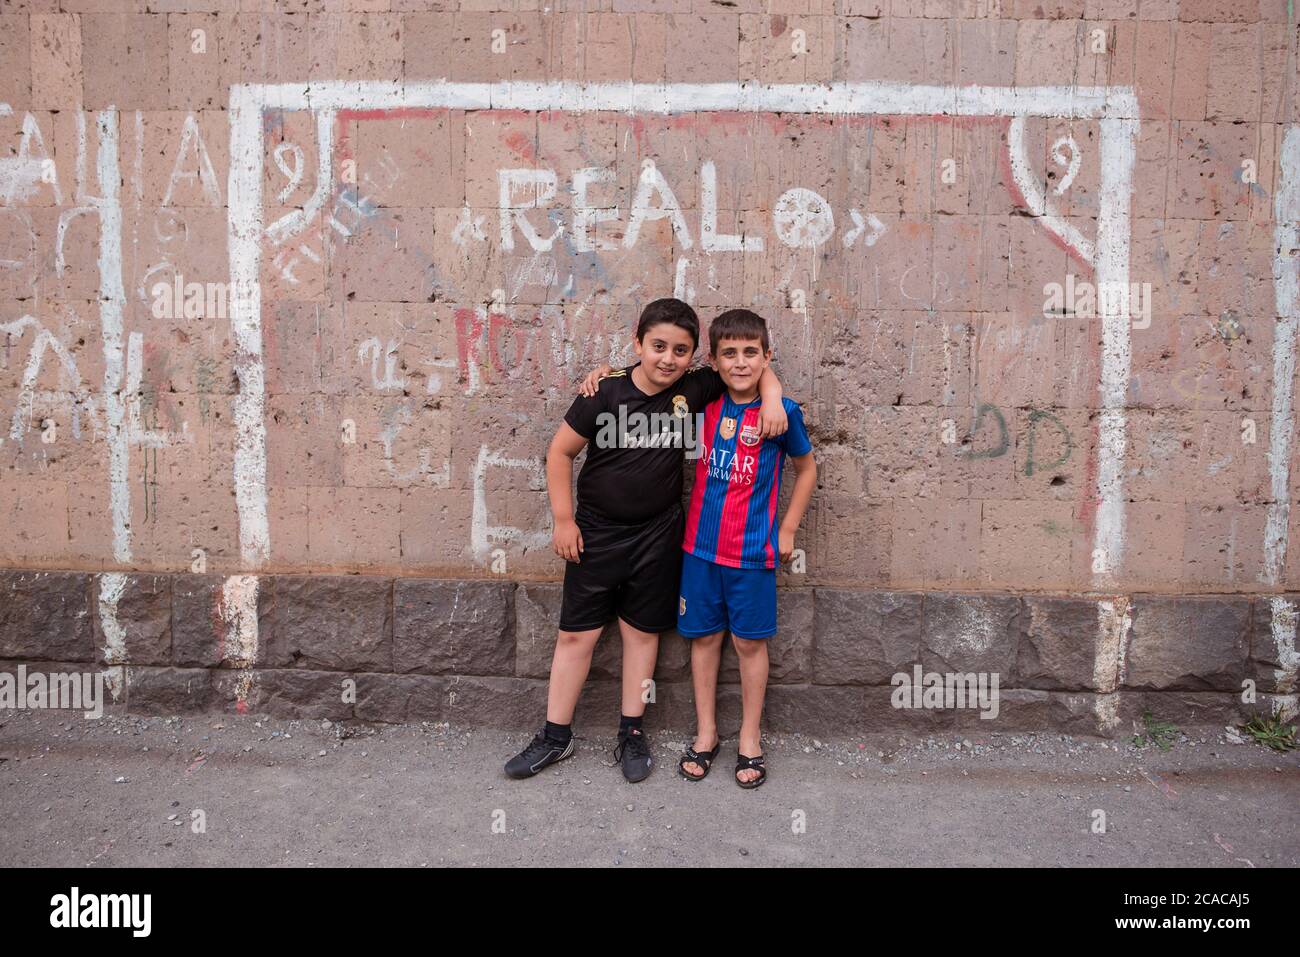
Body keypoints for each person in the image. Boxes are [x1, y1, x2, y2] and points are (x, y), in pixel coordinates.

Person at [504, 298, 787, 782]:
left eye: (681, 350)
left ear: (695, 358)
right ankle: (555, 735)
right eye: (658, 346)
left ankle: (631, 732)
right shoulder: (604, 391)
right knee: (577, 634)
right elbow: (559, 453)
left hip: (658, 535)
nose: (667, 359)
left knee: (641, 633)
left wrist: (776, 398)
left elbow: (752, 367)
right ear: (637, 343)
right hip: (594, 534)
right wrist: (563, 519)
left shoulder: (696, 387)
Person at [674, 309, 816, 789]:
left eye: (751, 353)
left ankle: (750, 737)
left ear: (767, 356)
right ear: (713, 361)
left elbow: (807, 469)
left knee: (750, 643)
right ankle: (707, 732)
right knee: (704, 639)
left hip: (752, 553)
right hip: (699, 550)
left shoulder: (782, 413)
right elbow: (654, 379)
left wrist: (788, 529)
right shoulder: (705, 401)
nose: (740, 363)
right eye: (729, 354)